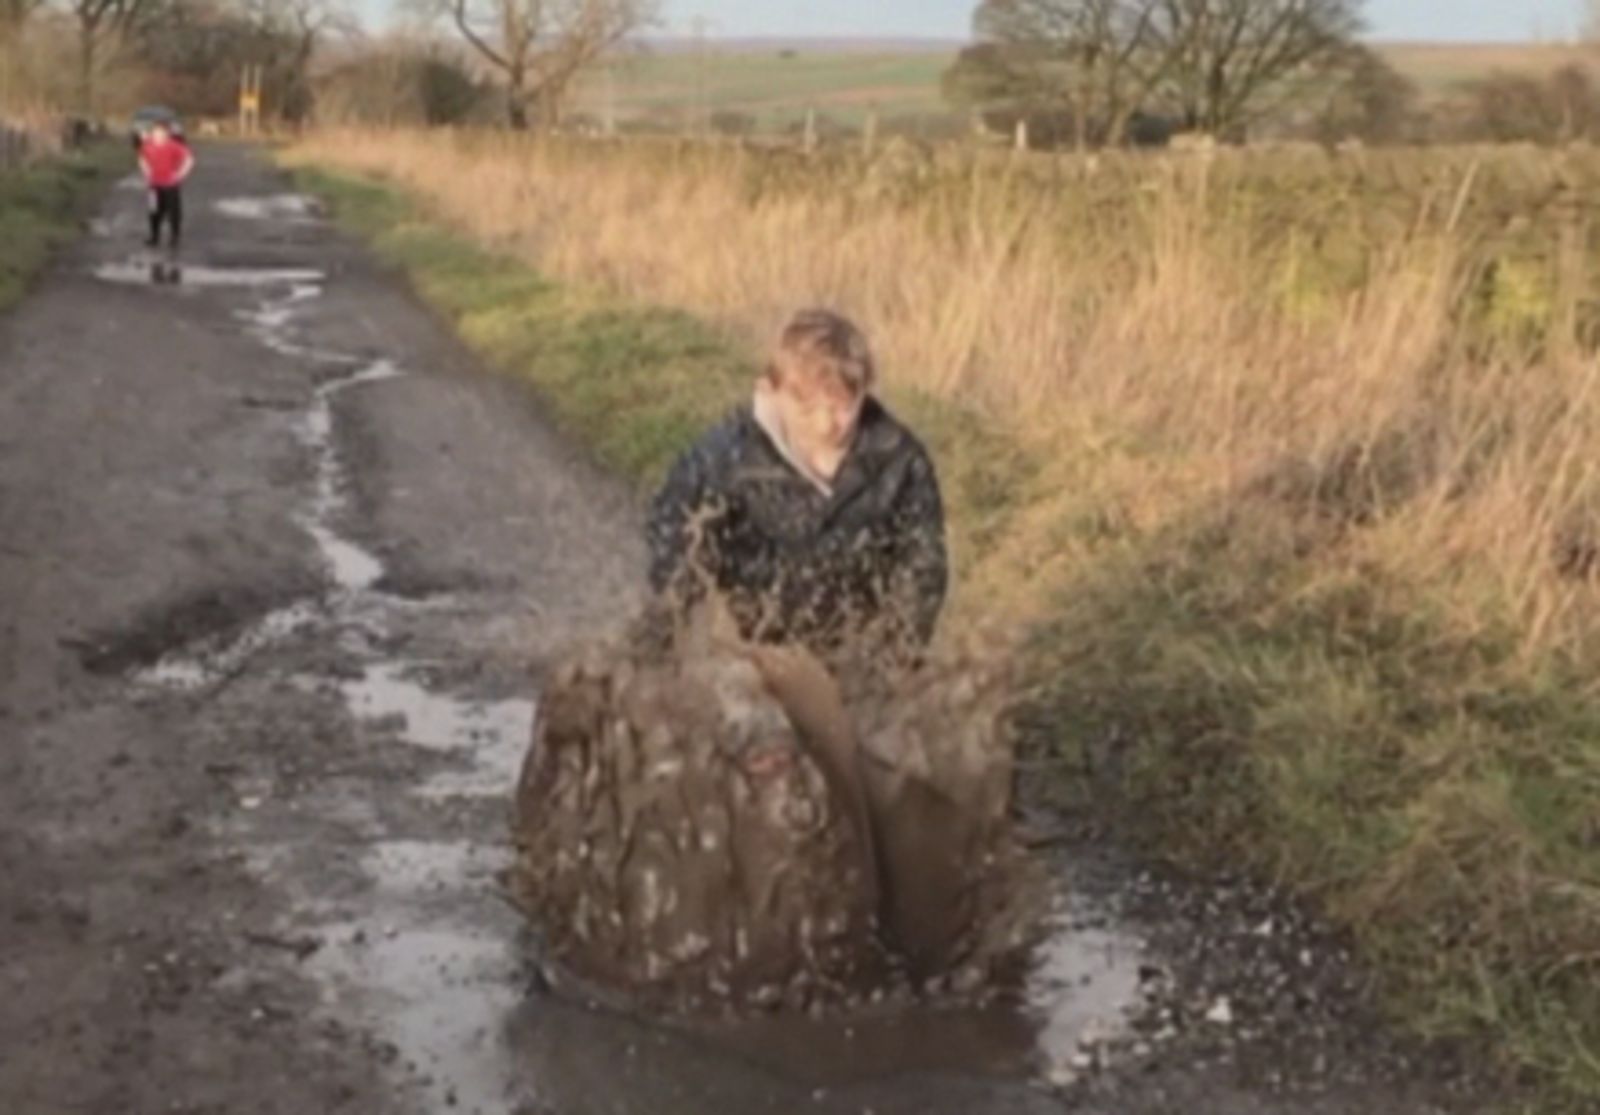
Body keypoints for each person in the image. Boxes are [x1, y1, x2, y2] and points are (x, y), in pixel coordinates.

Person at [647, 309, 948, 668]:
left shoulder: (900, 462)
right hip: (749, 650)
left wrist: (894, 657)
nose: (825, 424)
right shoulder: (727, 457)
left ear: (864, 392)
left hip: (857, 652)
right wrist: (690, 632)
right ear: (770, 392)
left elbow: (922, 567)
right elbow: (674, 532)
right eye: (806, 408)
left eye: (841, 407)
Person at [138, 121, 194, 251]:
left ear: (167, 134)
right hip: (154, 185)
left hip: (170, 185)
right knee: (154, 211)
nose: (159, 135)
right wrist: (147, 172)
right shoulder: (148, 146)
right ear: (153, 133)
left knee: (173, 212)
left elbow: (189, 159)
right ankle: (154, 236)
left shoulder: (174, 146)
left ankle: (174, 237)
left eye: (162, 133)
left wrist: (180, 175)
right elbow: (142, 159)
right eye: (156, 132)